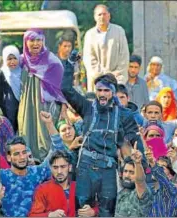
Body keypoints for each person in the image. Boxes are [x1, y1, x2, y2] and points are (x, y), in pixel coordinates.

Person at [61, 56, 145, 216]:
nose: (102, 94)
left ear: (113, 93)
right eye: (99, 90)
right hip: (85, 167)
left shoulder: (123, 114)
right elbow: (66, 89)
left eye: (106, 90)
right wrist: (70, 64)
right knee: (83, 211)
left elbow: (136, 141)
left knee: (107, 212)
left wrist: (142, 160)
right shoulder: (87, 107)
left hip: (108, 169)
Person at [0, 112, 66, 217]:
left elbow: (58, 151)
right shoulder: (2, 176)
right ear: (8, 157)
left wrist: (49, 124)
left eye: (24, 152)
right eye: (17, 154)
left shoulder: (37, 172)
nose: (22, 157)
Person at [18, 28, 66, 160]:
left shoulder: (52, 61)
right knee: (26, 133)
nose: (35, 44)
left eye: (38, 40)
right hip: (26, 106)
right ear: (26, 42)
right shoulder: (22, 61)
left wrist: (64, 107)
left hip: (46, 106)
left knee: (44, 137)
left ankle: (47, 165)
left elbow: (62, 87)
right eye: (32, 40)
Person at [29, 150, 98, 217]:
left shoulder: (80, 187)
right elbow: (33, 215)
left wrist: (93, 212)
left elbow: (101, 207)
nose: (59, 171)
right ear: (50, 168)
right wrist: (49, 215)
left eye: (63, 167)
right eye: (55, 167)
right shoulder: (42, 189)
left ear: (70, 167)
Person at [83, 4, 129, 91]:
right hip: (97, 81)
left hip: (117, 79)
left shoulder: (119, 31)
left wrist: (115, 75)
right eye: (99, 14)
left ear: (109, 16)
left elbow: (124, 56)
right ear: (95, 17)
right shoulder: (90, 34)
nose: (102, 17)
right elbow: (89, 59)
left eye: (104, 14)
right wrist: (103, 75)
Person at [114, 144, 152, 217]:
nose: (127, 175)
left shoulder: (142, 193)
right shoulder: (121, 192)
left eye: (132, 172)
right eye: (125, 171)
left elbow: (140, 181)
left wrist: (137, 163)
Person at [145, 146, 177, 217]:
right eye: (158, 165)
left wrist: (152, 163)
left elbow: (162, 177)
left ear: (170, 175)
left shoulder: (172, 189)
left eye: (162, 167)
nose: (158, 168)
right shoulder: (150, 188)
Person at [0, 45, 22, 132]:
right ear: (5, 60)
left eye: (14, 58)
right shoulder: (2, 73)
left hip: (22, 104)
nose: (12, 61)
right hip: (8, 108)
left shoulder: (23, 72)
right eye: (9, 59)